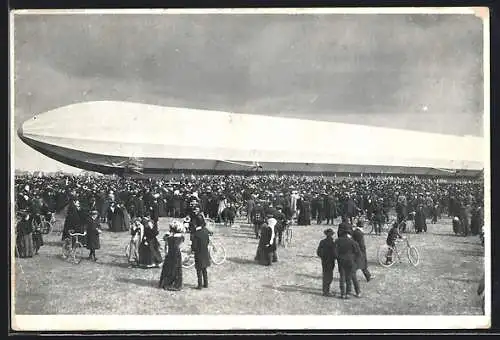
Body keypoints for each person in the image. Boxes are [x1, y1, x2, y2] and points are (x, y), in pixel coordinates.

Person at [334, 228, 362, 299]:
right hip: (351, 261)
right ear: (348, 234)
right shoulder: (353, 242)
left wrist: (338, 258)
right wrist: (354, 260)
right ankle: (349, 293)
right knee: (351, 277)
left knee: (342, 277)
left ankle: (342, 293)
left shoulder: (337, 241)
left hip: (341, 261)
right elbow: (359, 254)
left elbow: (335, 252)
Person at [159, 221, 185, 291]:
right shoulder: (180, 237)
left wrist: (169, 235)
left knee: (170, 269)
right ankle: (177, 283)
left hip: (171, 254)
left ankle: (168, 283)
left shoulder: (170, 237)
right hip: (176, 254)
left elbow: (165, 238)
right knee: (176, 269)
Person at [316, 228, 337, 297]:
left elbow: (318, 252)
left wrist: (322, 256)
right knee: (329, 276)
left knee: (325, 275)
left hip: (324, 261)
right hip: (331, 261)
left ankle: (325, 290)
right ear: (332, 235)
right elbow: (335, 253)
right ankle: (327, 291)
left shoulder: (322, 242)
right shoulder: (333, 243)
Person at [191, 223, 211, 289]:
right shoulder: (205, 231)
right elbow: (208, 241)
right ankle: (206, 284)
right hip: (205, 252)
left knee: (199, 270)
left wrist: (192, 249)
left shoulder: (196, 234)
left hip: (198, 253)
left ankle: (199, 285)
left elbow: (194, 246)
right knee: (204, 269)